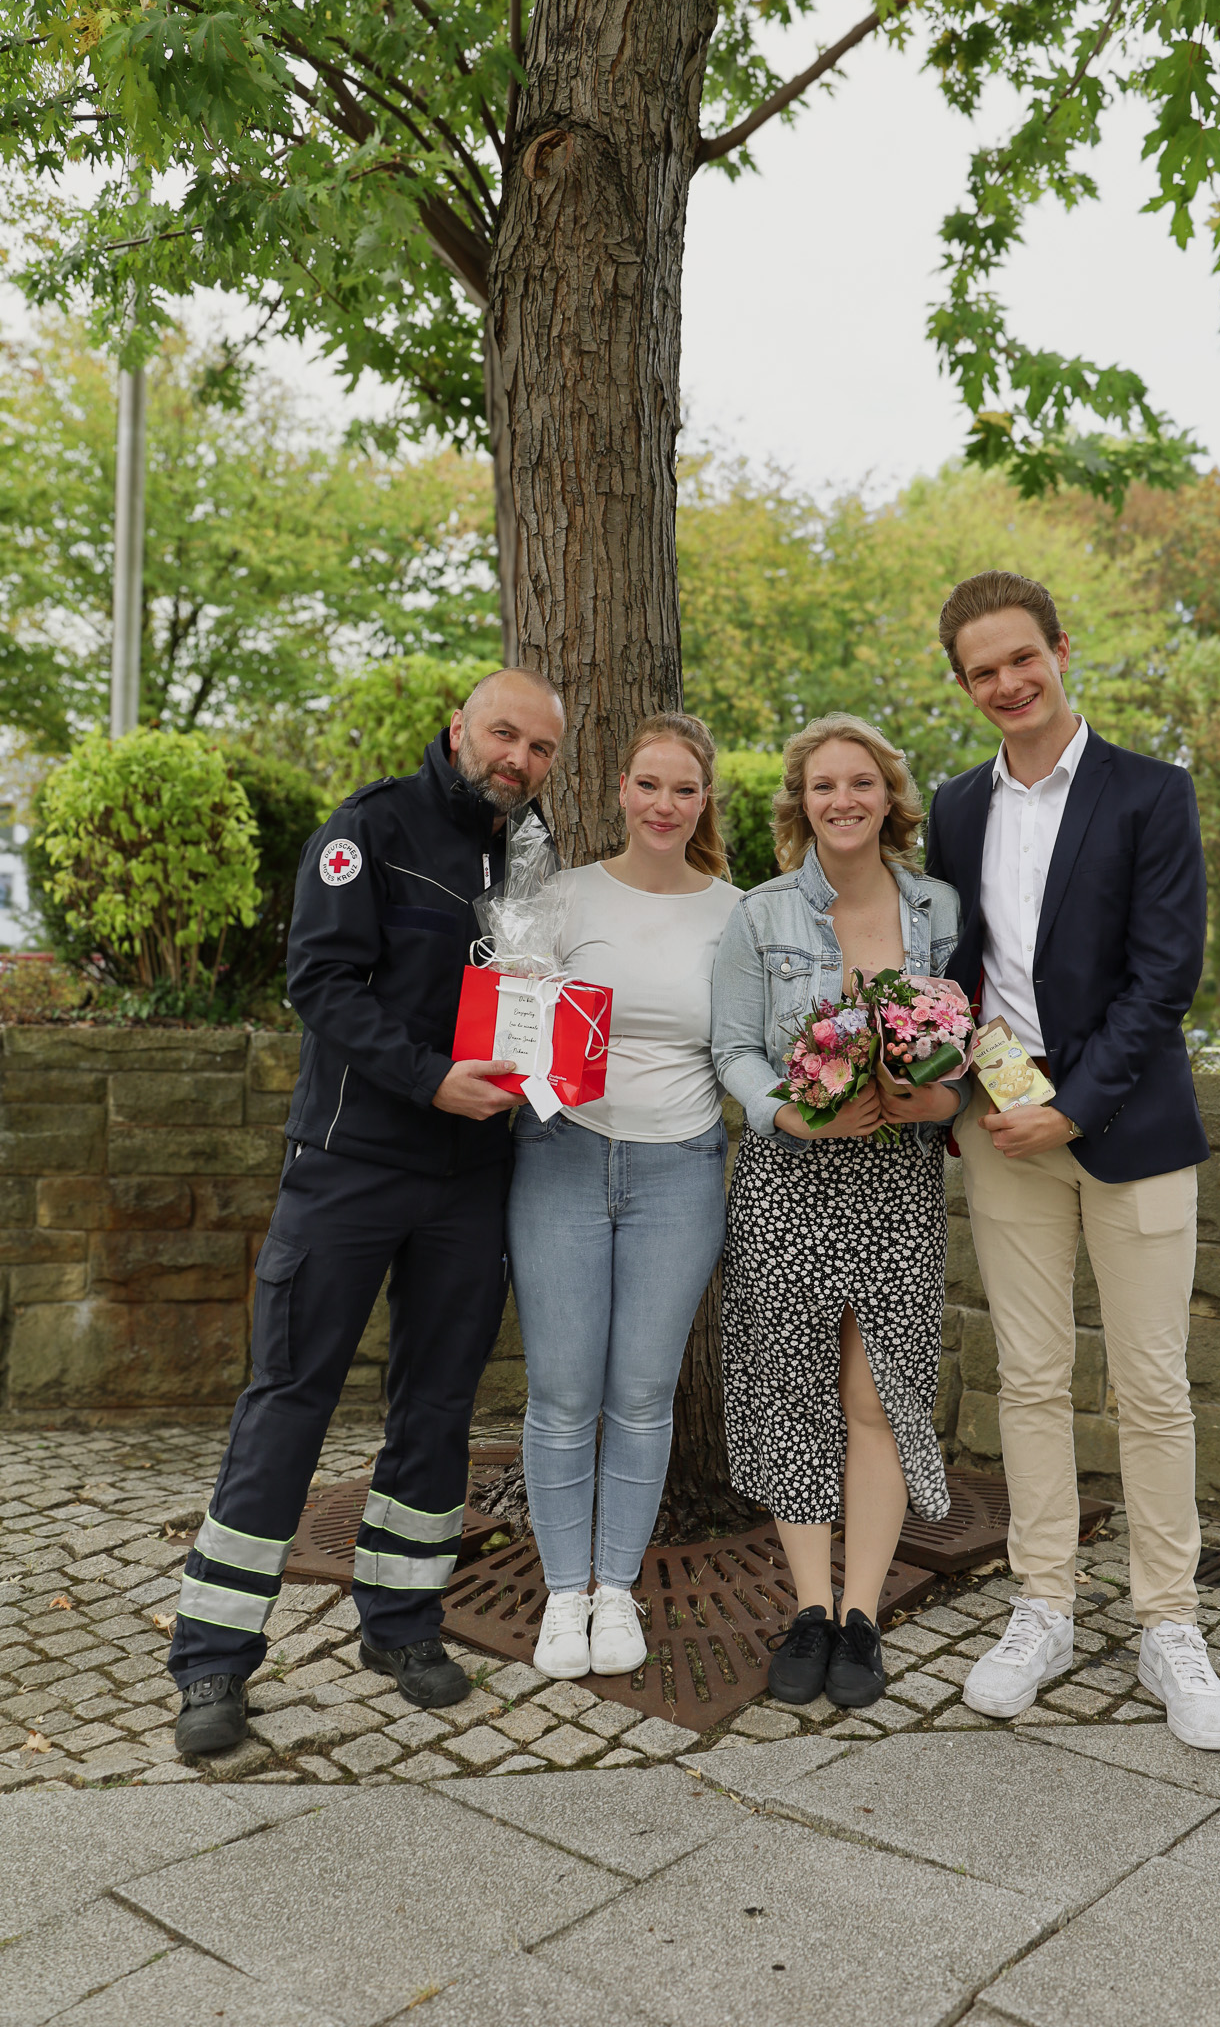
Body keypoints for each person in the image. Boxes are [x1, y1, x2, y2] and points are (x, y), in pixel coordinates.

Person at [170, 669, 566, 1755]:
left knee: (435, 1405)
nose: (517, 759)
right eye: (503, 734)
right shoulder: (368, 827)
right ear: (460, 728)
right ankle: (212, 1657)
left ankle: (400, 1621)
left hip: (470, 1176)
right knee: (289, 1397)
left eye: (539, 748)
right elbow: (321, 981)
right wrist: (429, 1073)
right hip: (350, 1163)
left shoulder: (533, 858)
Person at [927, 569, 1220, 1752]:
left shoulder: (1152, 794)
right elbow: (956, 969)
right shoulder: (957, 806)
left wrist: (1074, 1103)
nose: (1008, 682)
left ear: (1061, 649)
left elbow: (1168, 976)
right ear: (965, 685)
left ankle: (1169, 1620)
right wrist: (963, 1093)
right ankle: (1043, 1604)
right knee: (1029, 1379)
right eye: (982, 671)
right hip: (1003, 1136)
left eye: (1022, 657)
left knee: (1152, 1385)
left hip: (1132, 1130)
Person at [711, 714, 966, 1709]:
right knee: (796, 1395)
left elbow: (970, 1036)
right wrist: (786, 1114)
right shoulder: (759, 914)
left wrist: (942, 1099)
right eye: (824, 785)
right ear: (800, 800)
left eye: (861, 782)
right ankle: (808, 1608)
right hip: (789, 1184)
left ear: (889, 796)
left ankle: (863, 1616)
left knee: (878, 1397)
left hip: (898, 1184)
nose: (844, 799)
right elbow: (732, 1049)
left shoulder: (937, 905)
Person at [507, 713, 743, 1680]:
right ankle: (564, 1595)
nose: (663, 804)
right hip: (562, 1154)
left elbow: (742, 1046)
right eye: (648, 785)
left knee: (642, 1396)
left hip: (679, 1166)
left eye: (683, 789)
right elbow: (517, 1025)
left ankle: (616, 1587)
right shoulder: (556, 899)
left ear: (703, 801)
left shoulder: (736, 910)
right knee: (562, 1393)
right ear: (618, 790)